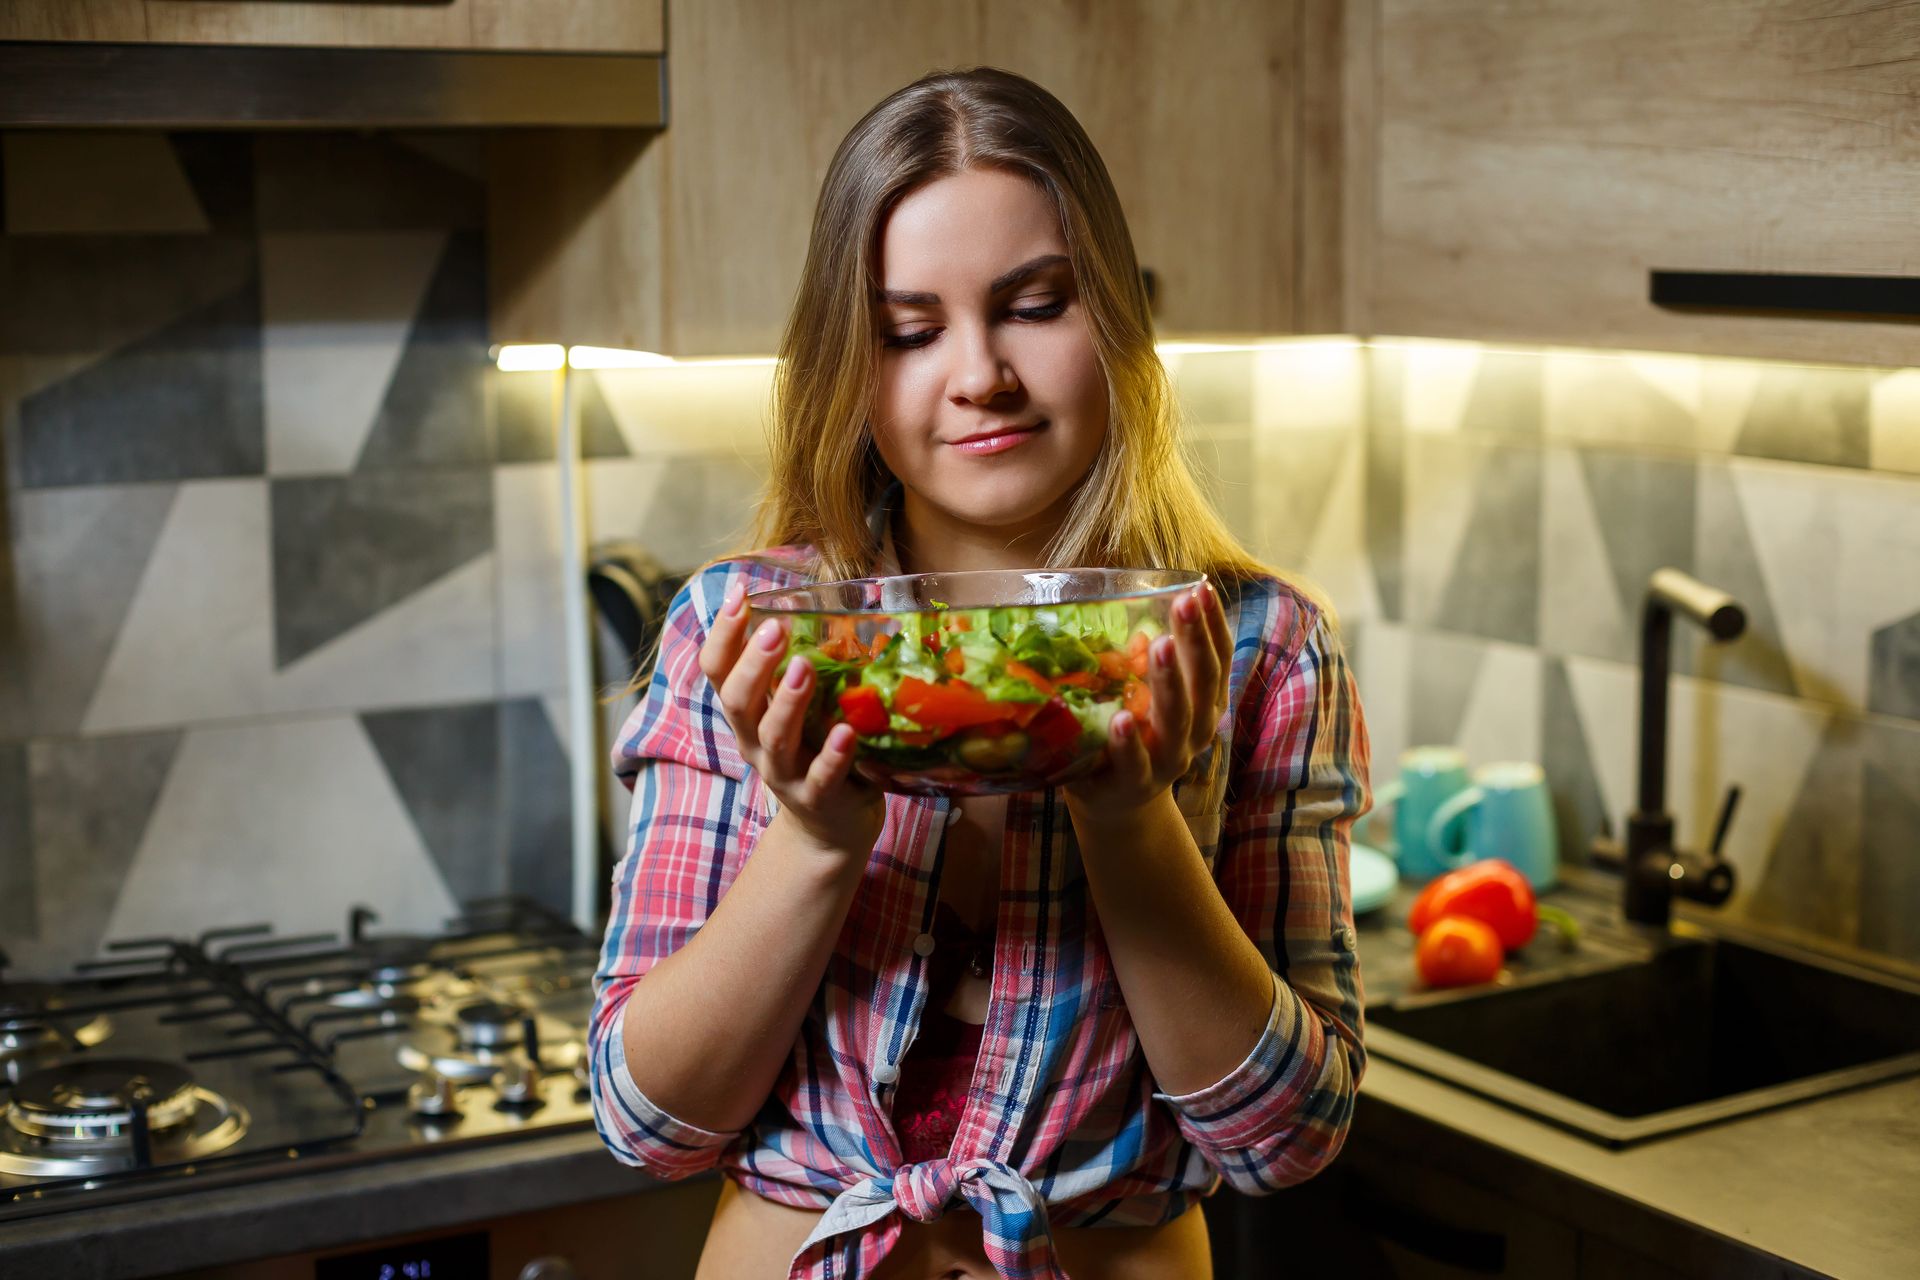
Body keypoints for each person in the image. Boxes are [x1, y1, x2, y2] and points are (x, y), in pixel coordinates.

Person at [588, 67, 1370, 1280]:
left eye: (1035, 304)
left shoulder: (1257, 648)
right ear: (850, 366)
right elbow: (649, 1123)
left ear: (1111, 315)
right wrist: (812, 839)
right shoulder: (746, 633)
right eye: (909, 331)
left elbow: (1288, 1138)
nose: (978, 376)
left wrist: (1133, 820)